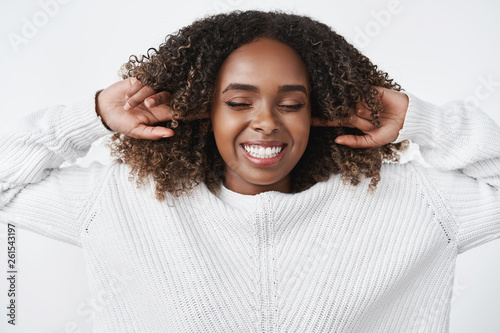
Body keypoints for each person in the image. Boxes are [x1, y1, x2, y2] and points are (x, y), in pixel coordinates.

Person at [1, 10, 499, 333]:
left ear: (319, 112)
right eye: (239, 101)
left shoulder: (412, 203)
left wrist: (420, 120)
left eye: (292, 103)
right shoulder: (123, 200)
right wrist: (92, 116)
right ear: (201, 109)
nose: (265, 122)